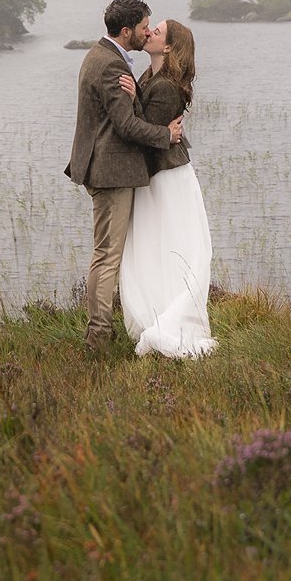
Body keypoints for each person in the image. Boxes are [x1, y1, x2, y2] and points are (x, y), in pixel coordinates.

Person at [65, 0, 185, 354]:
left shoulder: (99, 55)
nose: (148, 31)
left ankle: (103, 332)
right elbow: (126, 126)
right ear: (127, 30)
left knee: (107, 253)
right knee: (107, 256)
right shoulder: (111, 67)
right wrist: (167, 135)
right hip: (111, 172)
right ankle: (97, 339)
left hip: (103, 168)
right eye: (146, 26)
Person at [115, 18, 217, 358]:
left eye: (156, 32)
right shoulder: (151, 77)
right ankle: (156, 307)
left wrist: (131, 103)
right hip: (157, 174)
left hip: (166, 176)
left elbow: (148, 131)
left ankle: (169, 317)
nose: (149, 33)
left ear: (169, 46)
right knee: (153, 243)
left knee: (169, 242)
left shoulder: (168, 85)